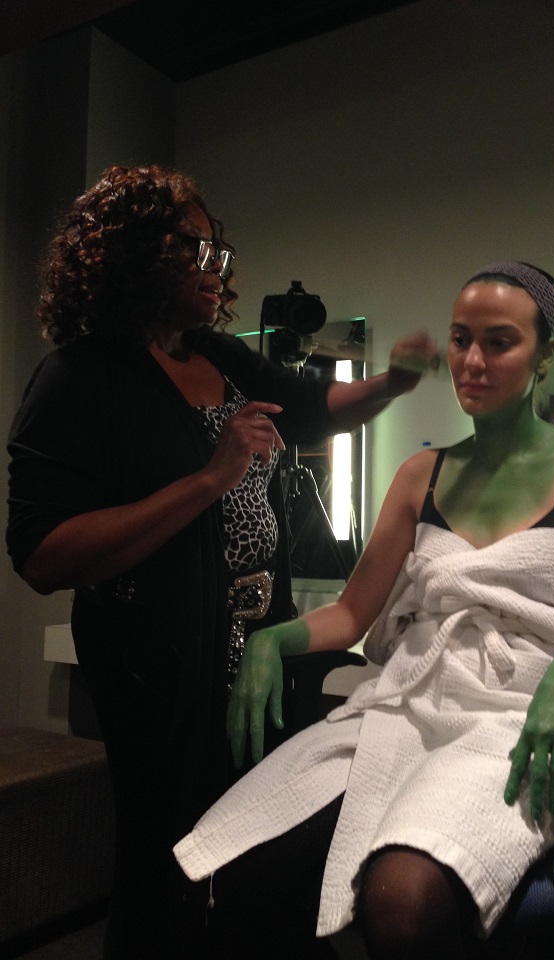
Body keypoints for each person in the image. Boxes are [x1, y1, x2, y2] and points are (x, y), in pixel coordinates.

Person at [173, 261, 554, 959]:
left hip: (518, 721)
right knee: (236, 865)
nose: (473, 360)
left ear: (544, 357)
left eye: (500, 342)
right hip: (407, 707)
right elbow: (352, 615)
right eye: (461, 339)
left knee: (401, 901)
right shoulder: (423, 473)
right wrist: (272, 641)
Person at [4, 164, 437, 960]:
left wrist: (395, 382)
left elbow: (314, 407)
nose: (216, 268)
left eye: (219, 251)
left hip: (257, 655)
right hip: (156, 664)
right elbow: (40, 553)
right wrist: (210, 479)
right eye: (193, 249)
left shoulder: (221, 357)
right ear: (134, 256)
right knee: (171, 860)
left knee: (259, 846)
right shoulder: (78, 378)